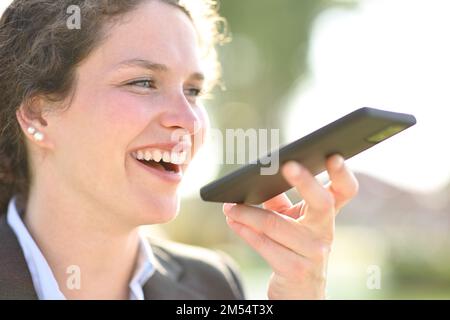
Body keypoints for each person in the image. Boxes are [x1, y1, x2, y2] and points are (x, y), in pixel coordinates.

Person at [0, 0, 359, 300]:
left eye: (192, 91)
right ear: (38, 114)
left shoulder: (214, 287)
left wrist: (301, 291)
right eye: (142, 82)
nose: (189, 121)